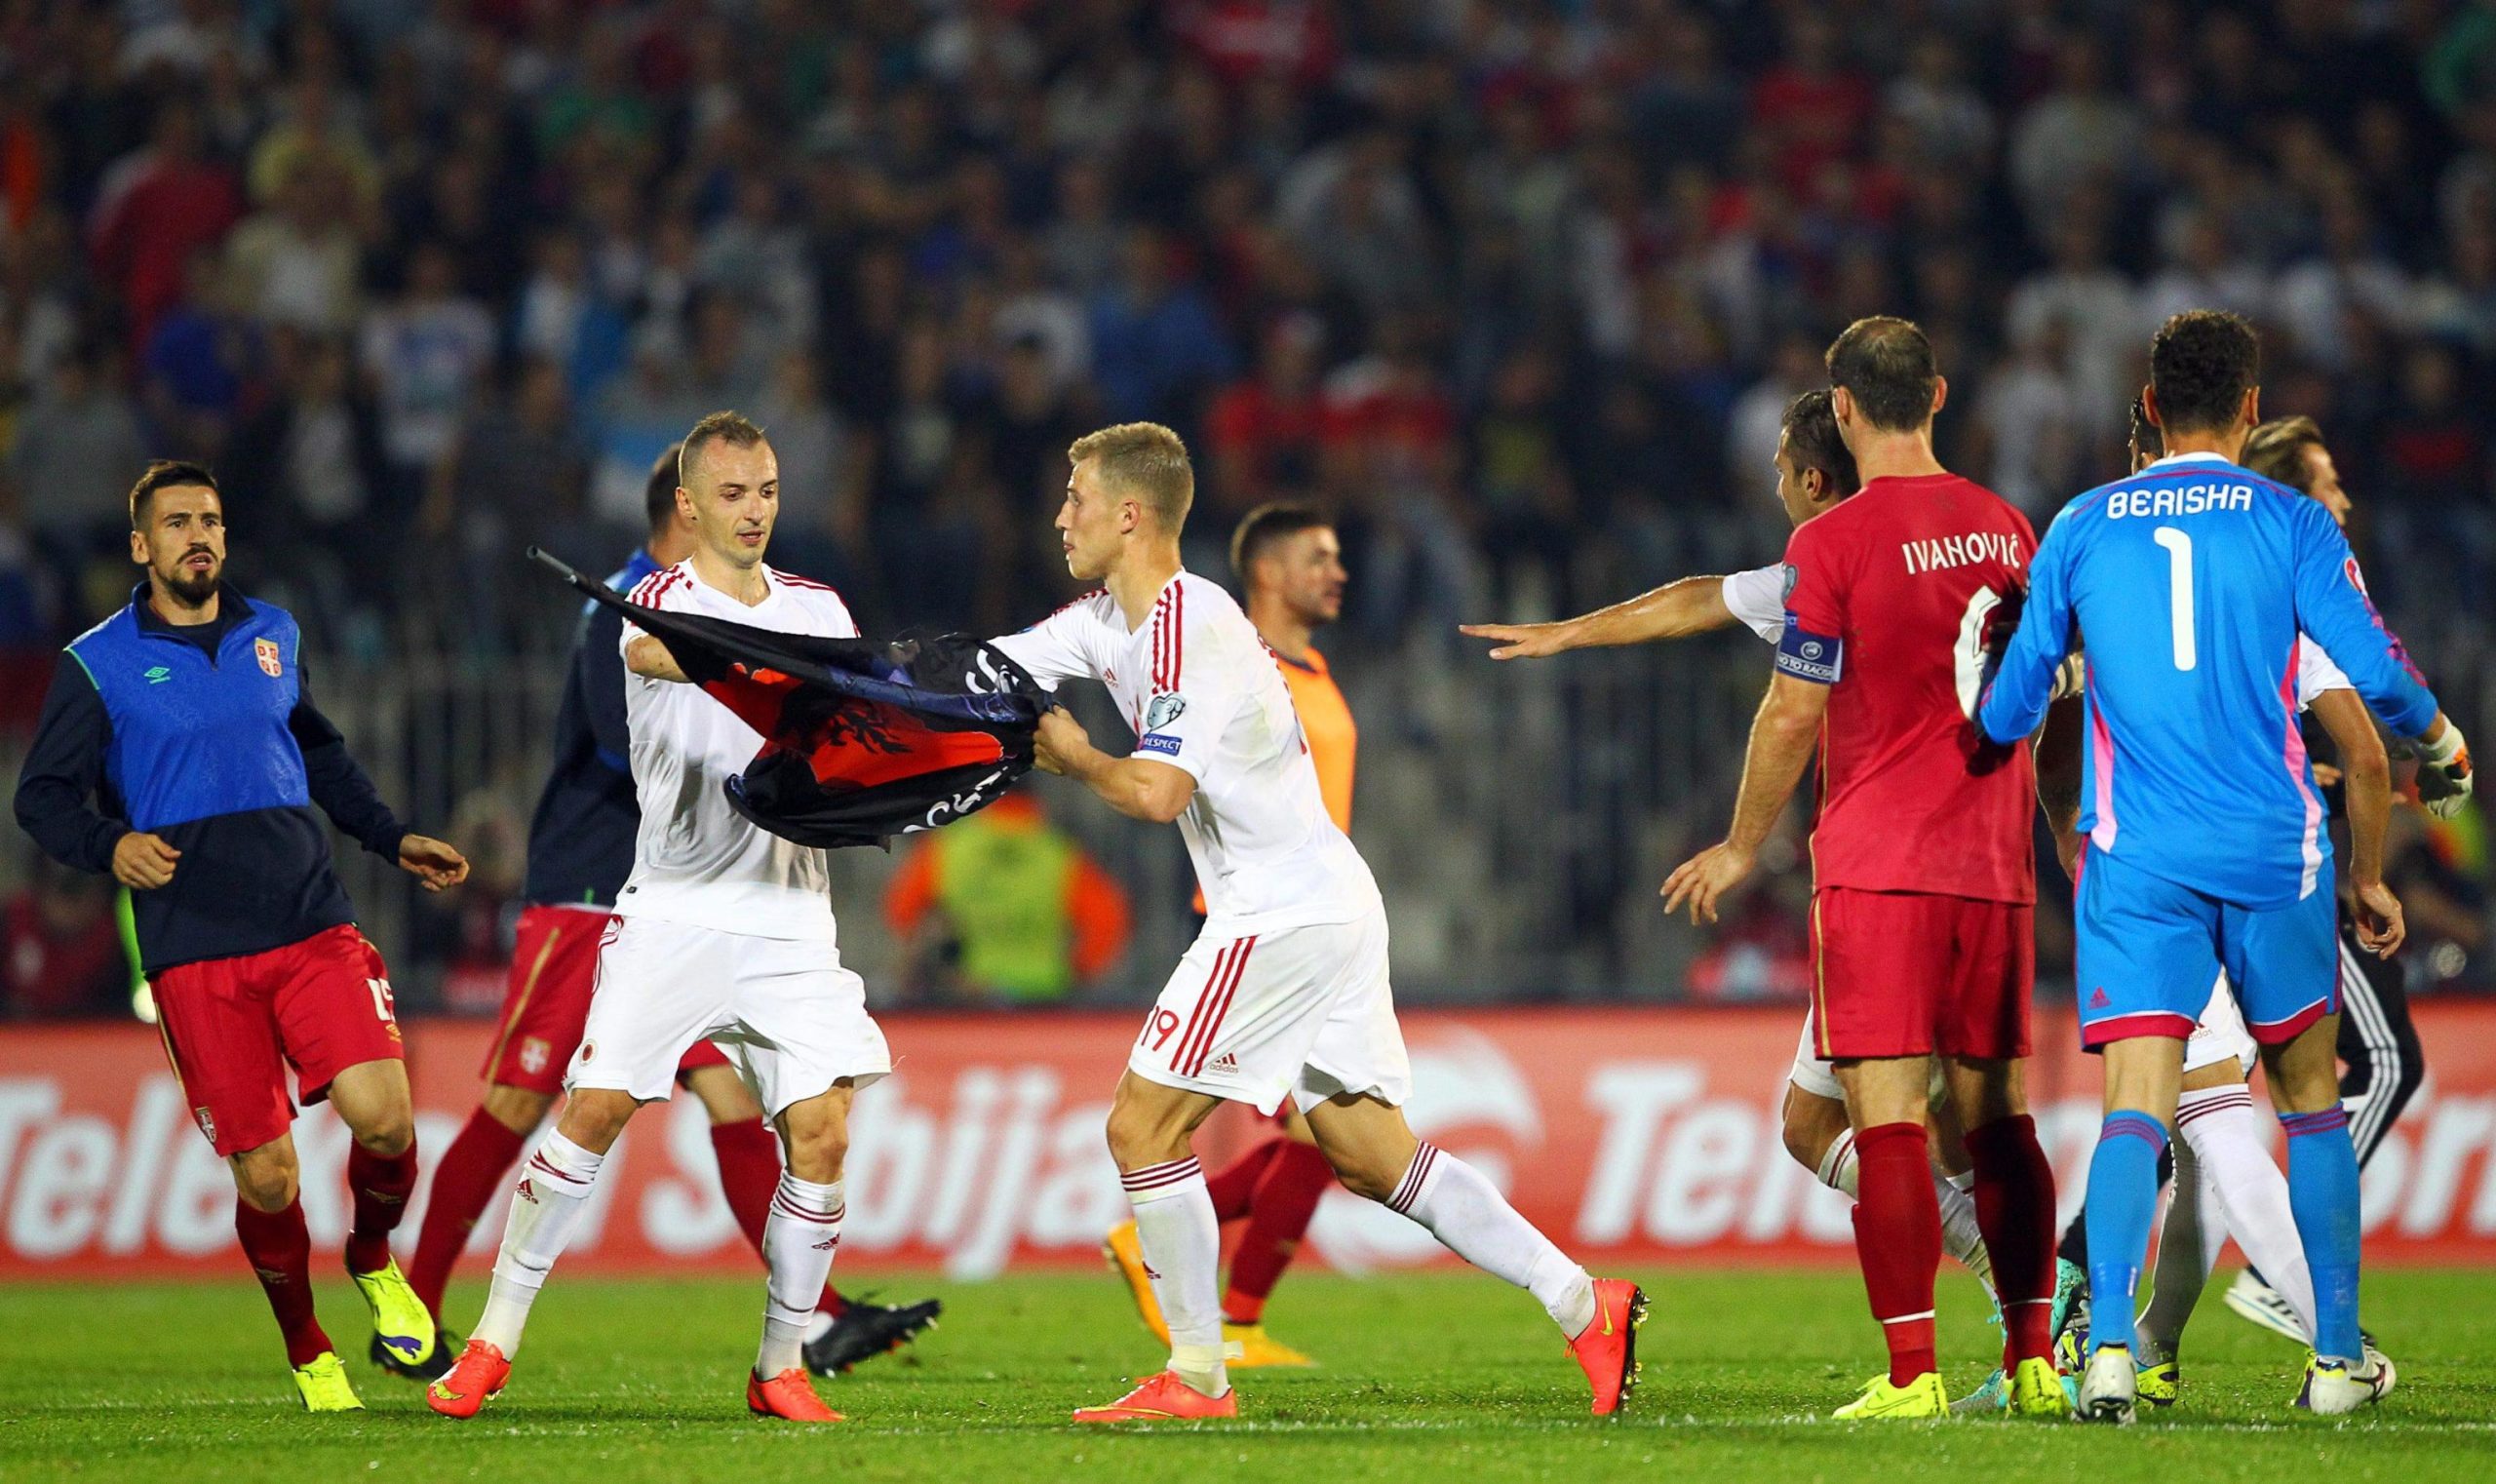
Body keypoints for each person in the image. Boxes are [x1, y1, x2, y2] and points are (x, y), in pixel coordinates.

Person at [991, 423, 1643, 1424]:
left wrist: (1071, 755)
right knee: (1371, 1154)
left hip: (1276, 909)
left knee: (1139, 1124)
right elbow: (989, 668)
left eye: (1075, 496)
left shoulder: (1187, 626)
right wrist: (816, 675)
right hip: (1326, 896)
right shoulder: (1105, 619)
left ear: (1130, 514)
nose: (1059, 514)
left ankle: (1199, 1374)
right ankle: (1581, 1301)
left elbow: (1158, 794)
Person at [1974, 310, 2470, 1420]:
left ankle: (2106, 1349)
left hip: (2135, 856)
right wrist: (2436, 740)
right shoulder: (2289, 521)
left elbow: (2009, 713)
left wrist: (1987, 682)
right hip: (2271, 850)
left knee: (2132, 1112)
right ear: (2251, 409)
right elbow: (2372, 667)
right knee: (2308, 1103)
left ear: (2146, 408)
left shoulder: (2083, 523)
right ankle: (2336, 1360)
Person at [408, 446, 939, 1377]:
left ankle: (809, 1324)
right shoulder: (621, 601)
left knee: (745, 1101)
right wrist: (771, 697)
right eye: (733, 494)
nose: (755, 511)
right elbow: (622, 739)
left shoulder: (806, 602)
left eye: (767, 492)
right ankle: (414, 1309)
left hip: (756, 909)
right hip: (598, 888)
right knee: (530, 1100)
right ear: (684, 511)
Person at [1658, 320, 2065, 1422]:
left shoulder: (1830, 543)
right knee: (1996, 1117)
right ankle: (2034, 1355)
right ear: (1936, 393)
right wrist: (2063, 825)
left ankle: (1911, 1378)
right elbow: (2052, 688)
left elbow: (1794, 705)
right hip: (1992, 859)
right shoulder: (2005, 528)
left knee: (1885, 1121)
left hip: (1881, 860)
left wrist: (1744, 842)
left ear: (1839, 408)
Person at [13, 460, 471, 1412]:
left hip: (310, 919)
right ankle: (308, 1347)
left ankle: (373, 1260)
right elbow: (41, 798)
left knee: (385, 1117)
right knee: (267, 1174)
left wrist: (387, 835)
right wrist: (111, 843)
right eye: (177, 522)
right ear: (142, 545)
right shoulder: (96, 663)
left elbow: (317, 747)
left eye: (211, 519)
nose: (198, 535)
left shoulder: (274, 632)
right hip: (194, 946)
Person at [2043, 399, 2395, 1407]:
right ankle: (2337, 1351)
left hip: (2143, 875)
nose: (2335, 499)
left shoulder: (2098, 556)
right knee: (2248, 1120)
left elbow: (2044, 717)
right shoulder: (2273, 551)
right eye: (2319, 482)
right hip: (2258, 870)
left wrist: (2080, 837)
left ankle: (2129, 1340)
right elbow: (2365, 736)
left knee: (2182, 1135)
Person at [1105, 501, 1353, 1370]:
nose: (1338, 572)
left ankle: (1207, 1296)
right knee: (1326, 1138)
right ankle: (1232, 1321)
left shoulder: (1312, 670)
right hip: (1247, 920)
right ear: (1270, 574)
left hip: (1313, 923)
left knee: (1329, 1139)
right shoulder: (1227, 661)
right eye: (1320, 557)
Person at [882, 791, 1132, 1003]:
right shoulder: (1061, 854)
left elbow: (901, 911)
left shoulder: (947, 847)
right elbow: (1106, 924)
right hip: (1045, 998)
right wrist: (1078, 971)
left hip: (968, 996)